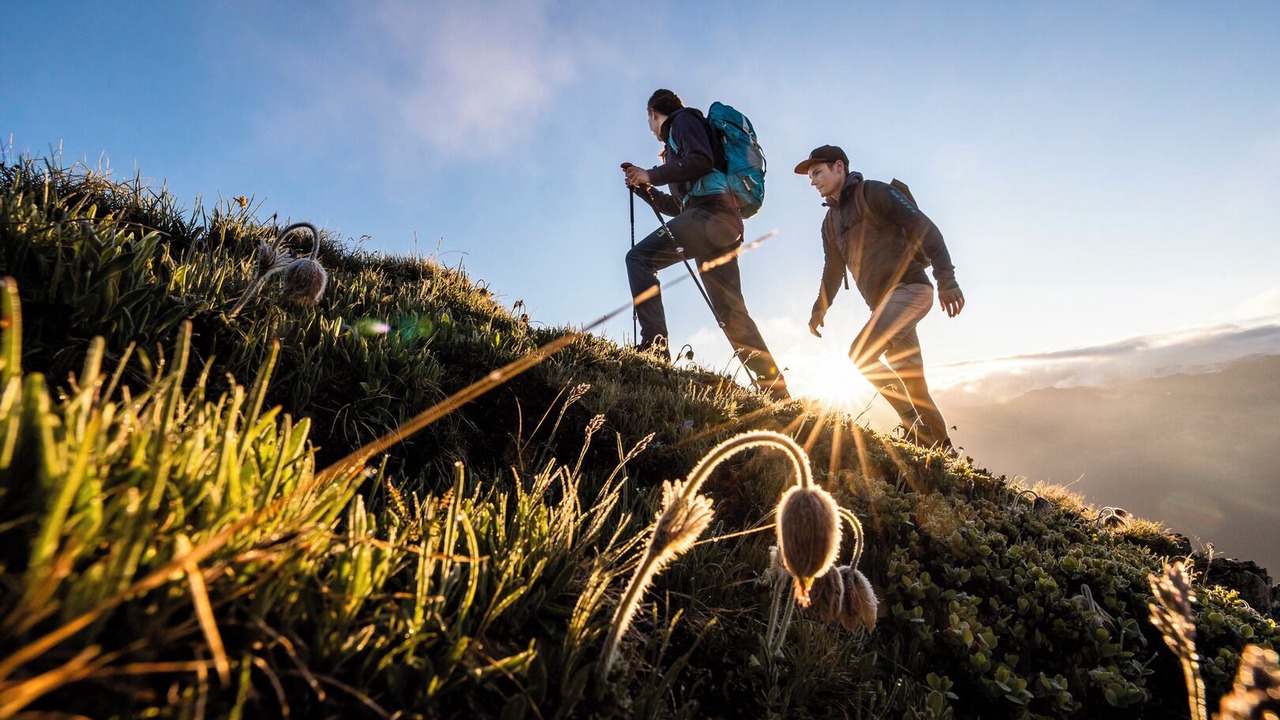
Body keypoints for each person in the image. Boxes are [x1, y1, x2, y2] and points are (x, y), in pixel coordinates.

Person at [622, 88, 789, 400]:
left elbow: (701, 161)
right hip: (720, 222)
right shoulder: (678, 143)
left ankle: (655, 349)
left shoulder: (683, 121)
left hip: (710, 215)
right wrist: (645, 188)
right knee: (731, 311)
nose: (650, 126)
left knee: (639, 259)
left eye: (648, 119)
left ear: (654, 114)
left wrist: (651, 174)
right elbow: (679, 206)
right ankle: (777, 392)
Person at [795, 145, 964, 451]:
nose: (813, 181)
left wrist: (946, 280)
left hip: (911, 288)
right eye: (810, 177)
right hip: (884, 304)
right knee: (914, 384)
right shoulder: (830, 223)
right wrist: (820, 309)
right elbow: (833, 270)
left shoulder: (874, 193)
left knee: (861, 354)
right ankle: (944, 449)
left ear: (839, 167)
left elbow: (924, 227)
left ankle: (914, 427)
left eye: (817, 172)